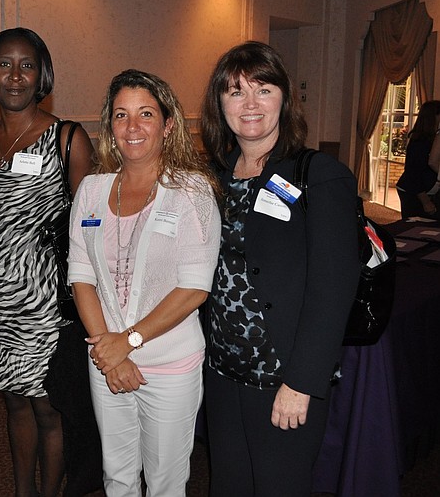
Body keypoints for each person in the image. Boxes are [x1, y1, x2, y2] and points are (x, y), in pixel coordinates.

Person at [200, 41, 362, 496]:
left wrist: (301, 382)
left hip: (281, 376)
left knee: (279, 487)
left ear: (284, 99)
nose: (249, 104)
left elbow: (333, 289)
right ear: (220, 104)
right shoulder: (215, 175)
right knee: (228, 485)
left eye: (263, 89)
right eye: (235, 92)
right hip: (223, 370)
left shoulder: (318, 174)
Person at [67, 69, 220, 496]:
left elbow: (194, 288)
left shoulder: (191, 192)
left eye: (146, 114)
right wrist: (109, 349)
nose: (132, 127)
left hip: (170, 365)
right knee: (116, 477)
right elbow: (80, 276)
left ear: (168, 124)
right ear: (110, 126)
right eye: (121, 115)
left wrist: (128, 342)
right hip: (105, 359)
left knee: (166, 483)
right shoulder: (92, 191)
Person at [0, 27, 96, 497]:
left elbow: (90, 229)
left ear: (41, 74)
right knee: (13, 404)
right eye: (4, 64)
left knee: (48, 407)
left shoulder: (68, 138)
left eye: (27, 65)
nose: (15, 75)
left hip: (48, 296)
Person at [396, 100, 440, 219]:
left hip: (427, 189)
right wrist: (425, 200)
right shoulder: (420, 142)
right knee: (414, 225)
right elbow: (413, 172)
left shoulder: (434, 139)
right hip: (413, 190)